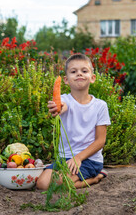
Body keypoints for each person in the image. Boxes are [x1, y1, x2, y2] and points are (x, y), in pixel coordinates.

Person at [36, 54, 111, 190]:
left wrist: (79, 158)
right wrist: (57, 108)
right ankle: (92, 178)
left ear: (92, 78)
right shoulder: (65, 100)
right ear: (66, 80)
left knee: (61, 184)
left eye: (84, 71)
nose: (79, 74)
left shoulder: (100, 106)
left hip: (89, 160)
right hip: (64, 159)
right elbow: (63, 106)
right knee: (42, 184)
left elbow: (100, 141)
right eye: (73, 71)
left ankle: (96, 177)